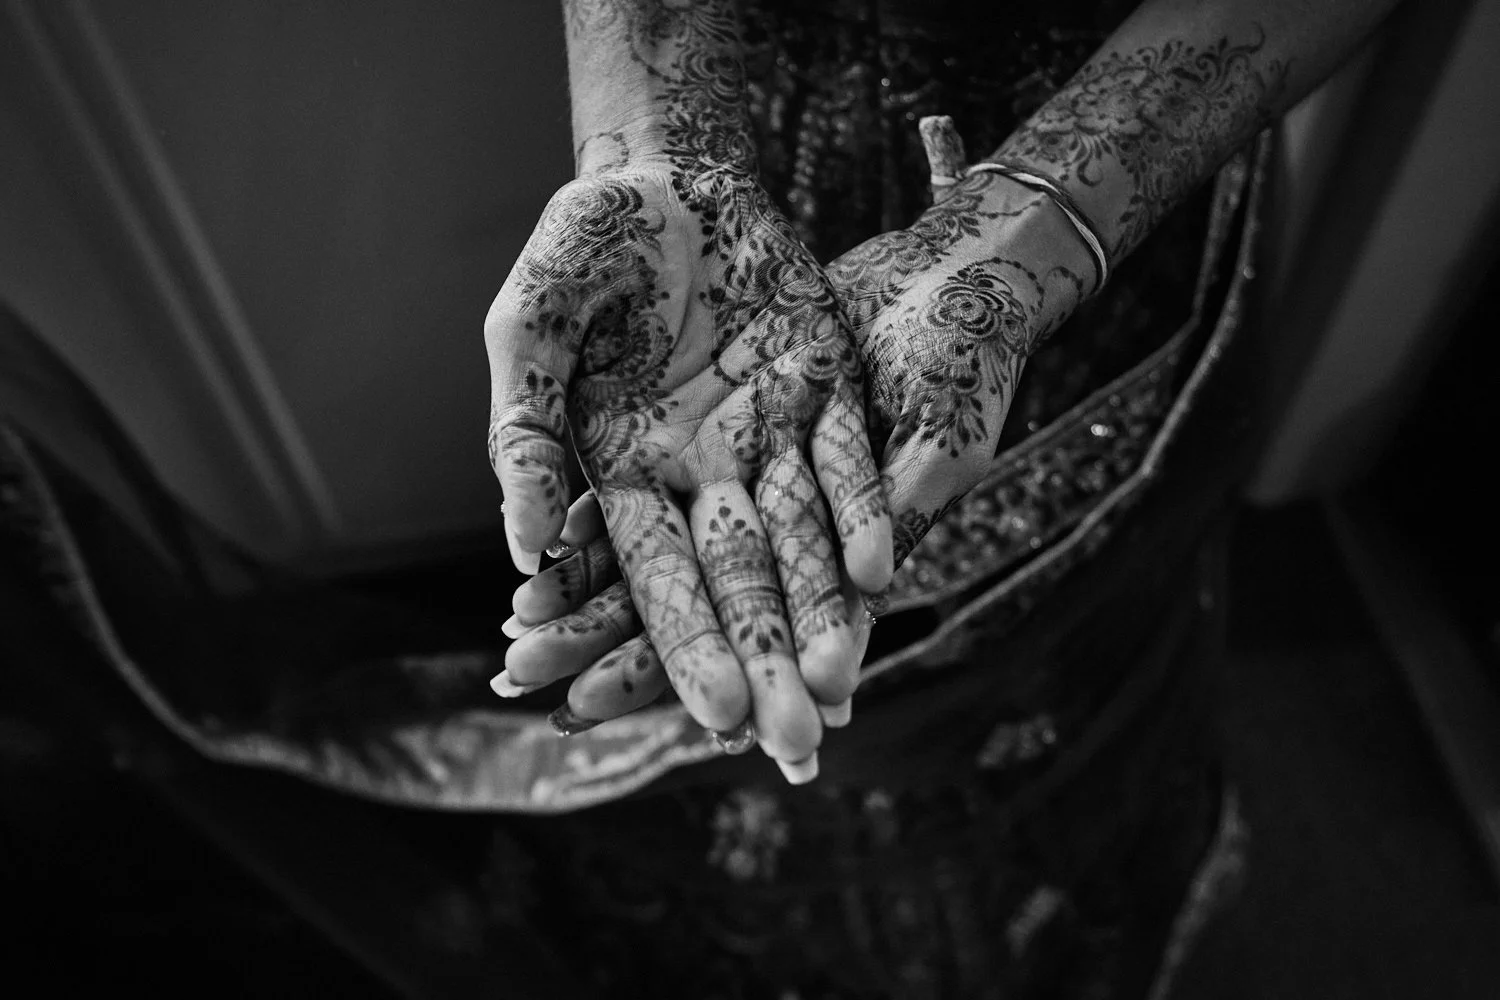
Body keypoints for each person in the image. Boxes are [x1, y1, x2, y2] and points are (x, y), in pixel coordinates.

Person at [476, 0, 1400, 994]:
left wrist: (1023, 233)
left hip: (1131, 151)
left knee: (1063, 666)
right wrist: (659, 149)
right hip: (742, 201)